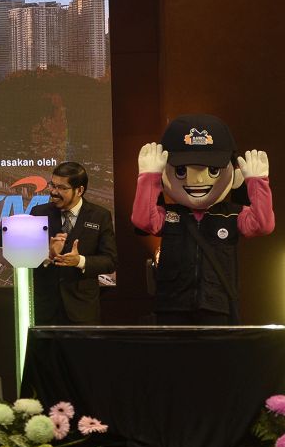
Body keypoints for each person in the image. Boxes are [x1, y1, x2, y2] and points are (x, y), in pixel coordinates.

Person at [132, 114, 274, 324]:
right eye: (181, 171)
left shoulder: (232, 214)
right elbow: (142, 220)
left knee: (215, 357)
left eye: (213, 170)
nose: (197, 179)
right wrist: (149, 178)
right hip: (172, 305)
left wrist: (257, 182)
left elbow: (263, 225)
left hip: (217, 305)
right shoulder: (171, 215)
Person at [30, 162, 118, 325]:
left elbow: (110, 261)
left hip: (82, 310)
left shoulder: (100, 216)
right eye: (52, 185)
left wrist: (80, 261)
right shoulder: (38, 213)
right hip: (46, 310)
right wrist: (46, 254)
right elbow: (26, 258)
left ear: (80, 190)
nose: (54, 192)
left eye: (62, 188)